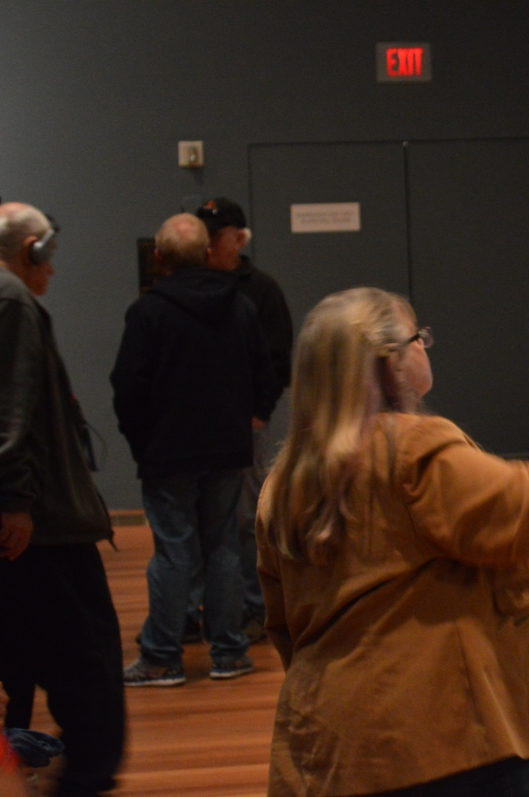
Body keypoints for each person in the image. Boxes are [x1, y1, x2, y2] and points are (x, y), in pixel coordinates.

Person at [256, 288, 529, 797]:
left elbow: (283, 624)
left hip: (326, 746)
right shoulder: (410, 451)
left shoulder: (283, 482)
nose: (424, 346)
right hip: (445, 743)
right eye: (417, 337)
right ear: (387, 363)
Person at [111, 214, 277, 686]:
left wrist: (141, 444)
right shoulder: (240, 307)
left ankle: (162, 656)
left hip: (167, 454)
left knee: (173, 550)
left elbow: (127, 387)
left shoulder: (147, 313)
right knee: (223, 546)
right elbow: (265, 373)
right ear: (207, 253)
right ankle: (229, 652)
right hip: (227, 449)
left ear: (159, 257)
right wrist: (251, 418)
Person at [0, 203, 126, 796]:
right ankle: (87, 775)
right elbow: (11, 411)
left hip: (36, 518)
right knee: (87, 657)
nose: (52, 268)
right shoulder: (12, 301)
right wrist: (14, 499)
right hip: (44, 523)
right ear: (33, 248)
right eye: (49, 254)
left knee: (26, 650)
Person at [196, 198, 293, 643]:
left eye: (215, 235)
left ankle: (257, 606)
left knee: (246, 519)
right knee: (204, 519)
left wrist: (259, 414)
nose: (208, 243)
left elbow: (278, 358)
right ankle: (212, 608)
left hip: (247, 424)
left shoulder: (261, 290)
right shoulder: (192, 285)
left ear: (238, 238)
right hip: (201, 424)